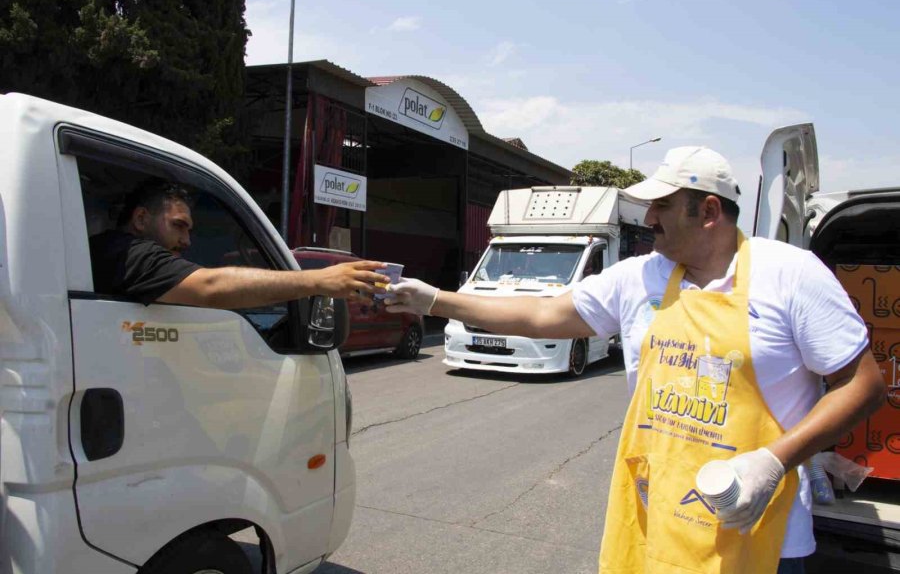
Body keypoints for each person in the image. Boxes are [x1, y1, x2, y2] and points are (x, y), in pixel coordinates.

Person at [384, 146, 885, 574]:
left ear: (708, 211)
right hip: (657, 522)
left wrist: (774, 462)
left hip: (758, 531)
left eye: (662, 207)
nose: (648, 221)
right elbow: (542, 314)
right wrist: (435, 301)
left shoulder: (790, 274)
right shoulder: (639, 277)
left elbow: (863, 384)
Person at [89, 179, 389, 307]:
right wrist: (318, 280)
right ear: (141, 219)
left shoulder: (110, 251)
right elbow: (210, 287)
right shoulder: (127, 252)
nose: (186, 240)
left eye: (190, 230)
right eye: (178, 226)